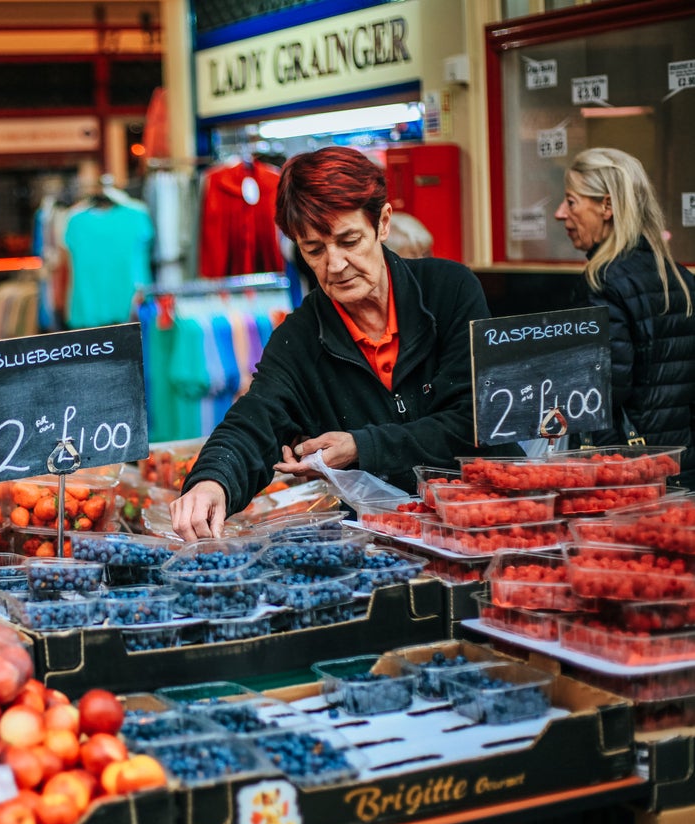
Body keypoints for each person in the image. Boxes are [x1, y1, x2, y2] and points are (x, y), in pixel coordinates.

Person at [171, 146, 500, 542]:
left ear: (383, 223)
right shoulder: (299, 336)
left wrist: (362, 445)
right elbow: (256, 419)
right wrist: (212, 481)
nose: (336, 265)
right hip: (383, 547)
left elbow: (476, 421)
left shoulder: (449, 291)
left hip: (488, 526)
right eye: (315, 250)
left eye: (349, 241)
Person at [554, 147, 695, 485]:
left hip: (624, 472)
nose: (561, 214)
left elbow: (598, 395)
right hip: (682, 466)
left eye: (571, 202)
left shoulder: (601, 282)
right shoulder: (678, 276)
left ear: (607, 206)